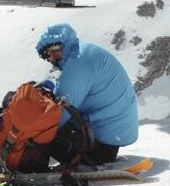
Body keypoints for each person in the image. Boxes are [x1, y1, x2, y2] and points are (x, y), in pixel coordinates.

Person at [35, 23, 138, 166]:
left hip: (101, 143)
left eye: (52, 51)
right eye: (45, 55)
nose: (51, 58)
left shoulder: (76, 64)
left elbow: (59, 113)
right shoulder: (82, 53)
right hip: (112, 134)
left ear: (63, 44)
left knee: (41, 135)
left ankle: (32, 169)